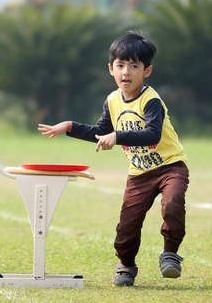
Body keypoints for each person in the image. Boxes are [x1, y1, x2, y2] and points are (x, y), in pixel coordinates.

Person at [38, 32, 189, 287]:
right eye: (120, 65)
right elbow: (100, 132)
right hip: (139, 173)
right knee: (127, 226)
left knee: (172, 203)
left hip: (170, 166)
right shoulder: (112, 100)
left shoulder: (151, 100)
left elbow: (151, 134)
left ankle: (170, 254)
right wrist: (70, 126)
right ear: (111, 69)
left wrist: (117, 136)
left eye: (134, 66)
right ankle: (126, 266)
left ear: (147, 71)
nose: (126, 72)